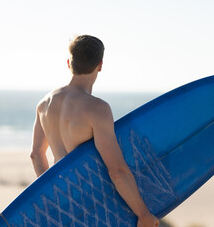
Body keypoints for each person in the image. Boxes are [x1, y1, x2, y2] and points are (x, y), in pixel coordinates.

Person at [30, 35, 159, 227]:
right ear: (100, 65)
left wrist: (53, 195)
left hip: (64, 203)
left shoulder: (44, 103)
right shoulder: (97, 109)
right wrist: (143, 214)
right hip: (93, 202)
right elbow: (116, 170)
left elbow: (36, 155)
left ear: (68, 63)